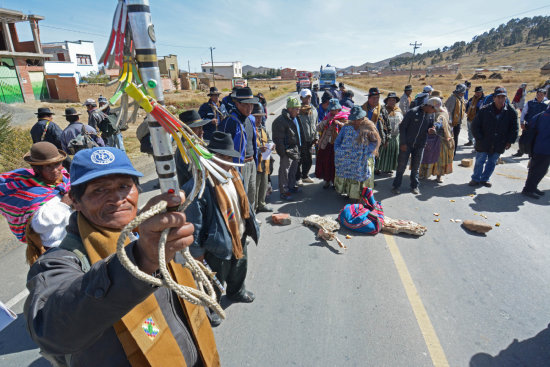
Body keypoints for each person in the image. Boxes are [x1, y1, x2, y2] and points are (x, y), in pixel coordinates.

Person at [24, 146, 220, 366]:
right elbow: (52, 332)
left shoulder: (147, 234)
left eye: (125, 186)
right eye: (99, 190)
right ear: (75, 201)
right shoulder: (61, 260)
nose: (117, 199)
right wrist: (140, 260)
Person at [182, 132, 259, 327]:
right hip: (216, 244)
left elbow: (244, 203)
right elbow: (195, 222)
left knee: (239, 267)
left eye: (229, 157)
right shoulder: (199, 184)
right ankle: (211, 307)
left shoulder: (234, 174)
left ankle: (236, 291)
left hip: (238, 234)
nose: (227, 161)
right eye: (221, 157)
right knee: (214, 278)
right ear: (209, 157)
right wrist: (197, 253)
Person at [0, 142, 70, 263]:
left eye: (58, 164)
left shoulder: (63, 180)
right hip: (53, 251)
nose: (55, 170)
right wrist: (64, 204)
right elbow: (39, 225)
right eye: (48, 166)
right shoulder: (29, 192)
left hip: (73, 241)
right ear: (36, 169)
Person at [218, 87, 259, 209]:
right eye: (246, 105)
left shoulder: (251, 119)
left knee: (252, 193)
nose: (249, 108)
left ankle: (252, 218)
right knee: (240, 195)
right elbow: (221, 147)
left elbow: (252, 141)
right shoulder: (230, 122)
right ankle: (243, 221)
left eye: (251, 105)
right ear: (237, 103)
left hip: (251, 162)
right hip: (239, 166)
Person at [470, 87, 518, 187]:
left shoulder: (511, 112)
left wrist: (510, 141)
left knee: (492, 162)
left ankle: (485, 179)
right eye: (498, 97)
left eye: (503, 97)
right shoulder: (485, 110)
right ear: (494, 98)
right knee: (480, 161)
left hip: (499, 142)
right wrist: (479, 138)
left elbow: (514, 128)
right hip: (484, 141)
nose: (501, 100)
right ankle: (475, 178)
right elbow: (475, 126)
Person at [334, 105, 380, 199]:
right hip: (347, 160)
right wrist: (338, 151)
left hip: (363, 159)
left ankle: (360, 196)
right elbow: (338, 141)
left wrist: (365, 153)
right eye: (354, 119)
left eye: (358, 119)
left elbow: (375, 142)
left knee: (361, 177)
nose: (356, 121)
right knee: (348, 176)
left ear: (362, 117)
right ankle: (349, 192)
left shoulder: (368, 127)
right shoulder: (346, 127)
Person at [391, 100, 437, 195]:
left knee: (416, 167)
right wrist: (403, 143)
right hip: (406, 144)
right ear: (429, 106)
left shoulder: (430, 114)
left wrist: (432, 129)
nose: (435, 112)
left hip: (420, 145)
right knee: (401, 166)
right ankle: (396, 186)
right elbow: (402, 127)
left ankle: (414, 186)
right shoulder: (413, 112)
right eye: (434, 109)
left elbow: (430, 125)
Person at [272, 96, 302, 200]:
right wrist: (283, 153)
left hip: (294, 148)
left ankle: (291, 186)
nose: (298, 111)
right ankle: (284, 191)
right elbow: (278, 138)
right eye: (296, 108)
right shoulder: (280, 121)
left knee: (293, 170)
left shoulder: (294, 118)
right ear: (290, 109)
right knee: (284, 171)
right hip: (286, 150)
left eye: (298, 108)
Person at [419, 97, 454, 183]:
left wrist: (435, 128)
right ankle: (423, 173)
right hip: (431, 138)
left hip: (442, 138)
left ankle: (439, 175)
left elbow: (439, 121)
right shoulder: (428, 111)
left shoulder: (442, 112)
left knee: (440, 158)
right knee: (426, 156)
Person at [175, 110, 213, 187]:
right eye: (198, 128)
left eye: (202, 128)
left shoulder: (197, 144)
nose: (202, 132)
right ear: (186, 131)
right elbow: (197, 176)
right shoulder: (184, 152)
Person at [315, 99, 347, 189]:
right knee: (325, 163)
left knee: (335, 164)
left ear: (338, 109)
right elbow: (318, 128)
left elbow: (348, 128)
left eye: (334, 109)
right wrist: (327, 121)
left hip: (338, 145)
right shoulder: (327, 117)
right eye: (331, 109)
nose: (333, 111)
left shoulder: (344, 117)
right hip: (327, 144)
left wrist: (339, 123)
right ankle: (326, 180)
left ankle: (335, 181)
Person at [521, 106, 550, 198]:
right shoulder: (544, 116)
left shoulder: (540, 115)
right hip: (543, 149)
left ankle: (532, 187)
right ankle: (528, 189)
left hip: (537, 147)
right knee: (538, 170)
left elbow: (529, 125)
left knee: (539, 170)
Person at [362, 87, 391, 174]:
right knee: (366, 159)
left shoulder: (382, 110)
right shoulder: (362, 109)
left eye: (378, 98)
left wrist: (387, 138)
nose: (376, 100)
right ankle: (367, 175)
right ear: (369, 98)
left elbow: (387, 124)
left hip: (379, 138)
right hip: (365, 139)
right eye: (374, 98)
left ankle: (374, 173)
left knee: (377, 157)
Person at [513, 88, 548, 157]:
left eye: (541, 95)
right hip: (529, 125)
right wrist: (522, 122)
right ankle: (521, 151)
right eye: (538, 94)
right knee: (524, 139)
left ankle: (531, 154)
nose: (539, 96)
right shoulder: (530, 103)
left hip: (540, 127)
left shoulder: (547, 104)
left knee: (536, 141)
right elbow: (523, 113)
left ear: (544, 95)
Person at [296, 89, 319, 185]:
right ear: (301, 98)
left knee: (308, 160)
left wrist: (316, 136)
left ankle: (305, 175)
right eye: (306, 97)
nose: (308, 98)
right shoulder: (298, 110)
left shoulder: (313, 109)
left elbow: (316, 123)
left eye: (309, 96)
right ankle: (297, 178)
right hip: (301, 139)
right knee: (299, 160)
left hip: (311, 138)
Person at [253, 104, 273, 212]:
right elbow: (249, 148)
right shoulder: (250, 129)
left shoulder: (263, 129)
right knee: (255, 187)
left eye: (260, 117)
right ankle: (255, 207)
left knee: (264, 184)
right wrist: (259, 149)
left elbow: (269, 140)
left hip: (265, 161)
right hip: (256, 163)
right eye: (256, 117)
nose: (259, 119)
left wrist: (271, 144)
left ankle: (262, 203)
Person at [377, 92, 403, 173]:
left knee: (392, 153)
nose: (392, 102)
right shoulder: (382, 110)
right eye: (390, 100)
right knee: (382, 152)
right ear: (387, 101)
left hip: (395, 136)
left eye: (394, 100)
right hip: (384, 136)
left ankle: (388, 168)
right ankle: (377, 168)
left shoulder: (398, 110)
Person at [444, 84, 467, 155]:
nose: (463, 94)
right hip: (451, 123)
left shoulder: (461, 98)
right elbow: (447, 111)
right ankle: (448, 152)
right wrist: (449, 122)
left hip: (458, 122)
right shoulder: (452, 98)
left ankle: (453, 152)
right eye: (462, 92)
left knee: (455, 137)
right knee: (449, 137)